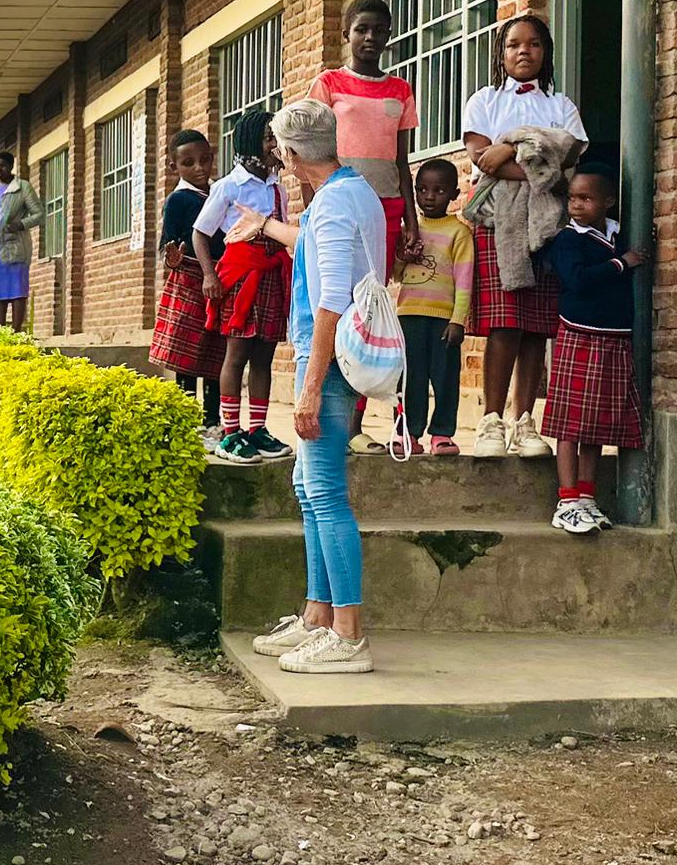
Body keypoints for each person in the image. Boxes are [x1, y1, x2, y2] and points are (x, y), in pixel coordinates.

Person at [238, 99, 389, 675]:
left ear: (293, 153)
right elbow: (319, 248)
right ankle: (318, 615)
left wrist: (307, 390)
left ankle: (348, 634)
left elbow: (330, 301)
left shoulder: (330, 206)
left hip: (323, 361)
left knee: (324, 491)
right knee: (309, 487)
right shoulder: (353, 193)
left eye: (279, 150)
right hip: (331, 358)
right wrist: (272, 228)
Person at [464, 14, 584, 458]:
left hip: (548, 221)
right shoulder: (485, 100)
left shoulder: (561, 106)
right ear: (501, 53)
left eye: (534, 44)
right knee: (505, 322)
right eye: (514, 44)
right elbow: (483, 161)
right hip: (500, 221)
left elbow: (568, 163)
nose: (523, 51)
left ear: (546, 53)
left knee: (537, 326)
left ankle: (525, 421)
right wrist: (537, 160)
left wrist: (511, 147)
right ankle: (492, 421)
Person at [316, 0, 420, 451]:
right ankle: (331, 416)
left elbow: (402, 160)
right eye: (362, 29)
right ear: (346, 33)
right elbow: (312, 150)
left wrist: (411, 220)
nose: (371, 38)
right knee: (337, 305)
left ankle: (356, 425)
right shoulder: (329, 83)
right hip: (341, 207)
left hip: (387, 208)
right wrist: (316, 205)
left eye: (379, 30)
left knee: (370, 310)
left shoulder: (401, 91)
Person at [538, 169, 648, 534]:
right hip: (580, 333)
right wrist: (621, 263)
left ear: (608, 203)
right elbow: (578, 280)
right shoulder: (569, 240)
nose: (577, 205)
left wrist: (624, 256)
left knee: (596, 423)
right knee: (570, 421)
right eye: (573, 198)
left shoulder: (618, 233)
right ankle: (567, 499)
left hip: (615, 337)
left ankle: (587, 496)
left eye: (586, 199)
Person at [195, 108, 291, 464]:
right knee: (237, 354)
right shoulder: (229, 186)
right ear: (251, 142)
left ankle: (257, 429)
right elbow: (200, 233)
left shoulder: (277, 186)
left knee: (265, 353)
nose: (274, 145)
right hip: (240, 275)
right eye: (269, 138)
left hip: (270, 274)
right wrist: (209, 275)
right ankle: (230, 432)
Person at [398, 156, 474, 456]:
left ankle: (442, 433)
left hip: (444, 319)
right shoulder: (409, 229)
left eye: (439, 191)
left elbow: (465, 280)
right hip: (408, 316)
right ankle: (407, 432)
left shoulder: (459, 232)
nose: (429, 197)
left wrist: (458, 320)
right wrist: (404, 255)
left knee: (444, 377)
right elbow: (394, 275)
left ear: (454, 194)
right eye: (422, 189)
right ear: (414, 191)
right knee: (409, 378)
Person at [149, 128, 224, 431]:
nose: (199, 168)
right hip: (190, 279)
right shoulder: (178, 200)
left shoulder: (220, 192)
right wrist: (171, 258)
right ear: (173, 167)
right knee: (187, 353)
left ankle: (213, 418)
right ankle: (187, 419)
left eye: (205, 160)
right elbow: (167, 244)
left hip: (222, 278)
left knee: (217, 351)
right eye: (189, 163)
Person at [0, 149, 37, 330]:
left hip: (14, 246)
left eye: (2, 166)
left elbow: (38, 214)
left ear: (11, 167)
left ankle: (17, 330)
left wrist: (19, 225)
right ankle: (0, 330)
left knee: (17, 289)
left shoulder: (22, 187)